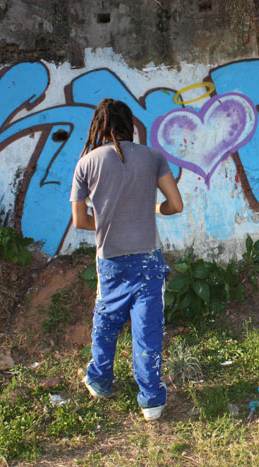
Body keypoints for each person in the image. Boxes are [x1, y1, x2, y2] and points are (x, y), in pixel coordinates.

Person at [70, 98, 183, 421]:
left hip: (110, 260)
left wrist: (106, 221)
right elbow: (175, 205)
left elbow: (79, 220)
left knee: (105, 322)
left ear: (100, 128)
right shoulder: (152, 157)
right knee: (147, 329)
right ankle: (151, 402)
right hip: (147, 259)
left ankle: (101, 381)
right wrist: (154, 210)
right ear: (130, 125)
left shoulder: (86, 163)